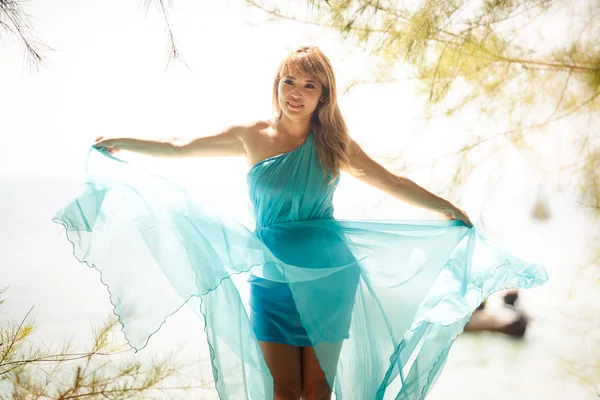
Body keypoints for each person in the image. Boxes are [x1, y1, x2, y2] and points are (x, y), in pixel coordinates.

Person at [58, 45, 547, 400]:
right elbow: (181, 147)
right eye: (288, 82)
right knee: (281, 392)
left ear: (323, 95)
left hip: (329, 278)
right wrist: (124, 141)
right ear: (277, 86)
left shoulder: (334, 146)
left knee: (317, 393)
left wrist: (449, 210)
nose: (295, 92)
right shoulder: (251, 135)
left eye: (308, 85)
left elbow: (394, 182)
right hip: (271, 279)